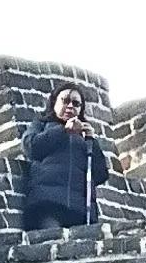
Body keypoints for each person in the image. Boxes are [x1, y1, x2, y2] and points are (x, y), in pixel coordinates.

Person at [19, 80, 110, 233]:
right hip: (48, 205)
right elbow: (30, 147)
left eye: (76, 104)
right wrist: (64, 131)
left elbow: (100, 174)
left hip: (80, 210)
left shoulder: (84, 137)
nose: (70, 106)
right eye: (65, 101)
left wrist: (91, 141)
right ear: (54, 103)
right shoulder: (42, 125)